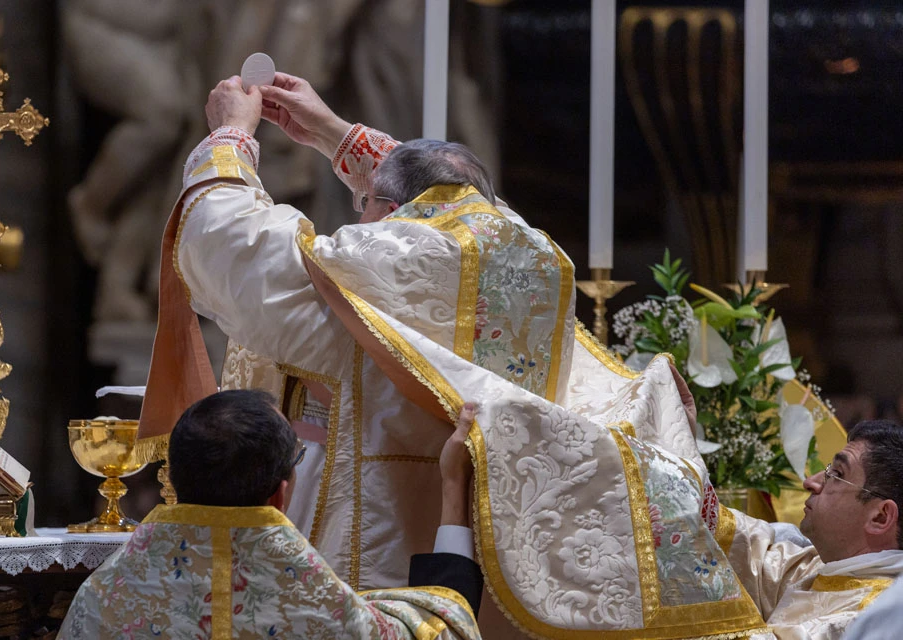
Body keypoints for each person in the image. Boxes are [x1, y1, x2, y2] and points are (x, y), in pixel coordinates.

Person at [137, 71, 707, 637]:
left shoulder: (367, 269)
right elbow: (452, 190)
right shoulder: (529, 255)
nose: (358, 217)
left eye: (364, 204)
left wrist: (231, 138)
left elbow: (228, 248)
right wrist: (337, 135)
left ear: (387, 211)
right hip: (494, 543)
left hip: (371, 544)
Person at [60, 390, 483, 639]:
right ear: (281, 495)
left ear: (173, 480)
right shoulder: (323, 610)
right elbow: (445, 625)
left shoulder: (103, 599)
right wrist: (453, 484)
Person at [722, 419, 903, 638]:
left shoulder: (871, 618)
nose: (811, 482)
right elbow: (745, 550)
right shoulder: (826, 567)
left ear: (880, 517)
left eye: (837, 475)